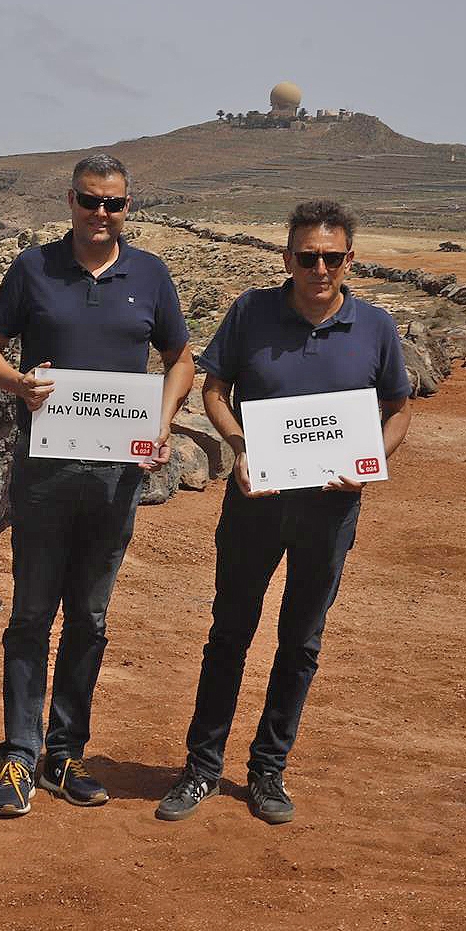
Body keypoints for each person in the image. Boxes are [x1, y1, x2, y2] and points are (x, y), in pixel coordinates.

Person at [154, 199, 412, 827]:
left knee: (299, 641)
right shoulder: (251, 312)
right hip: (254, 505)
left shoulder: (376, 328)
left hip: (330, 511)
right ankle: (202, 768)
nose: (318, 268)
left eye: (331, 257)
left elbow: (400, 408)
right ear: (288, 257)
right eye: (306, 256)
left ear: (349, 260)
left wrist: (372, 459)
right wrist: (239, 446)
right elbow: (214, 389)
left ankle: (268, 771)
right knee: (230, 634)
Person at [0, 153, 194, 819]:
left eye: (114, 204)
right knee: (31, 614)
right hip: (43, 475)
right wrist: (16, 383)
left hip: (115, 479)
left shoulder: (149, 275)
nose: (101, 214)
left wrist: (161, 421)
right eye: (90, 201)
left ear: (128, 208)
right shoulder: (32, 268)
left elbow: (177, 357)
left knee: (89, 619)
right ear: (69, 201)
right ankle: (18, 752)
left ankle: (64, 753)